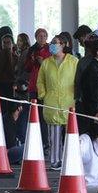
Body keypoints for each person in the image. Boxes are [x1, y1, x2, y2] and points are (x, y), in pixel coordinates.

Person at [37, 32, 78, 170]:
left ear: (63, 45)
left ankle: (70, 161)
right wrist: (43, 94)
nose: (52, 45)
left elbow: (79, 80)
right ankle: (55, 162)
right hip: (52, 103)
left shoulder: (73, 61)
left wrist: (78, 96)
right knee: (53, 137)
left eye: (55, 42)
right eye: (52, 43)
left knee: (70, 135)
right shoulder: (46, 63)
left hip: (70, 103)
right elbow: (40, 81)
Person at [26, 28, 51, 152]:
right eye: (39, 36)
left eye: (44, 36)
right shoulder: (32, 50)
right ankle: (35, 140)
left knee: (44, 116)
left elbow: (52, 66)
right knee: (34, 114)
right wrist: (32, 60)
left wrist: (43, 62)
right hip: (33, 86)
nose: (41, 38)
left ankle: (46, 142)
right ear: (35, 37)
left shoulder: (50, 49)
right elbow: (27, 67)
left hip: (46, 86)